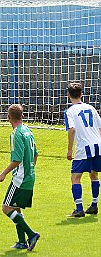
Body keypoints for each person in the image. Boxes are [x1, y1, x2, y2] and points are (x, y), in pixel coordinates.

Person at [0, 104, 40, 251]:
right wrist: (30, 169)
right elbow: (36, 154)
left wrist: (3, 173)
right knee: (16, 208)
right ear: (22, 116)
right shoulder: (28, 131)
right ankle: (22, 242)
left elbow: (17, 159)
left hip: (20, 179)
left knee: (6, 208)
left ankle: (31, 234)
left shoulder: (16, 134)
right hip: (29, 176)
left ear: (8, 118)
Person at [64, 82, 101, 217]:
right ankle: (94, 205)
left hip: (84, 147)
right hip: (98, 145)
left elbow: (72, 129)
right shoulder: (91, 108)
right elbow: (100, 127)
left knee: (75, 177)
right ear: (81, 94)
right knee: (94, 174)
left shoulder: (70, 111)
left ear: (68, 95)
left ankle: (79, 209)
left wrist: (69, 150)